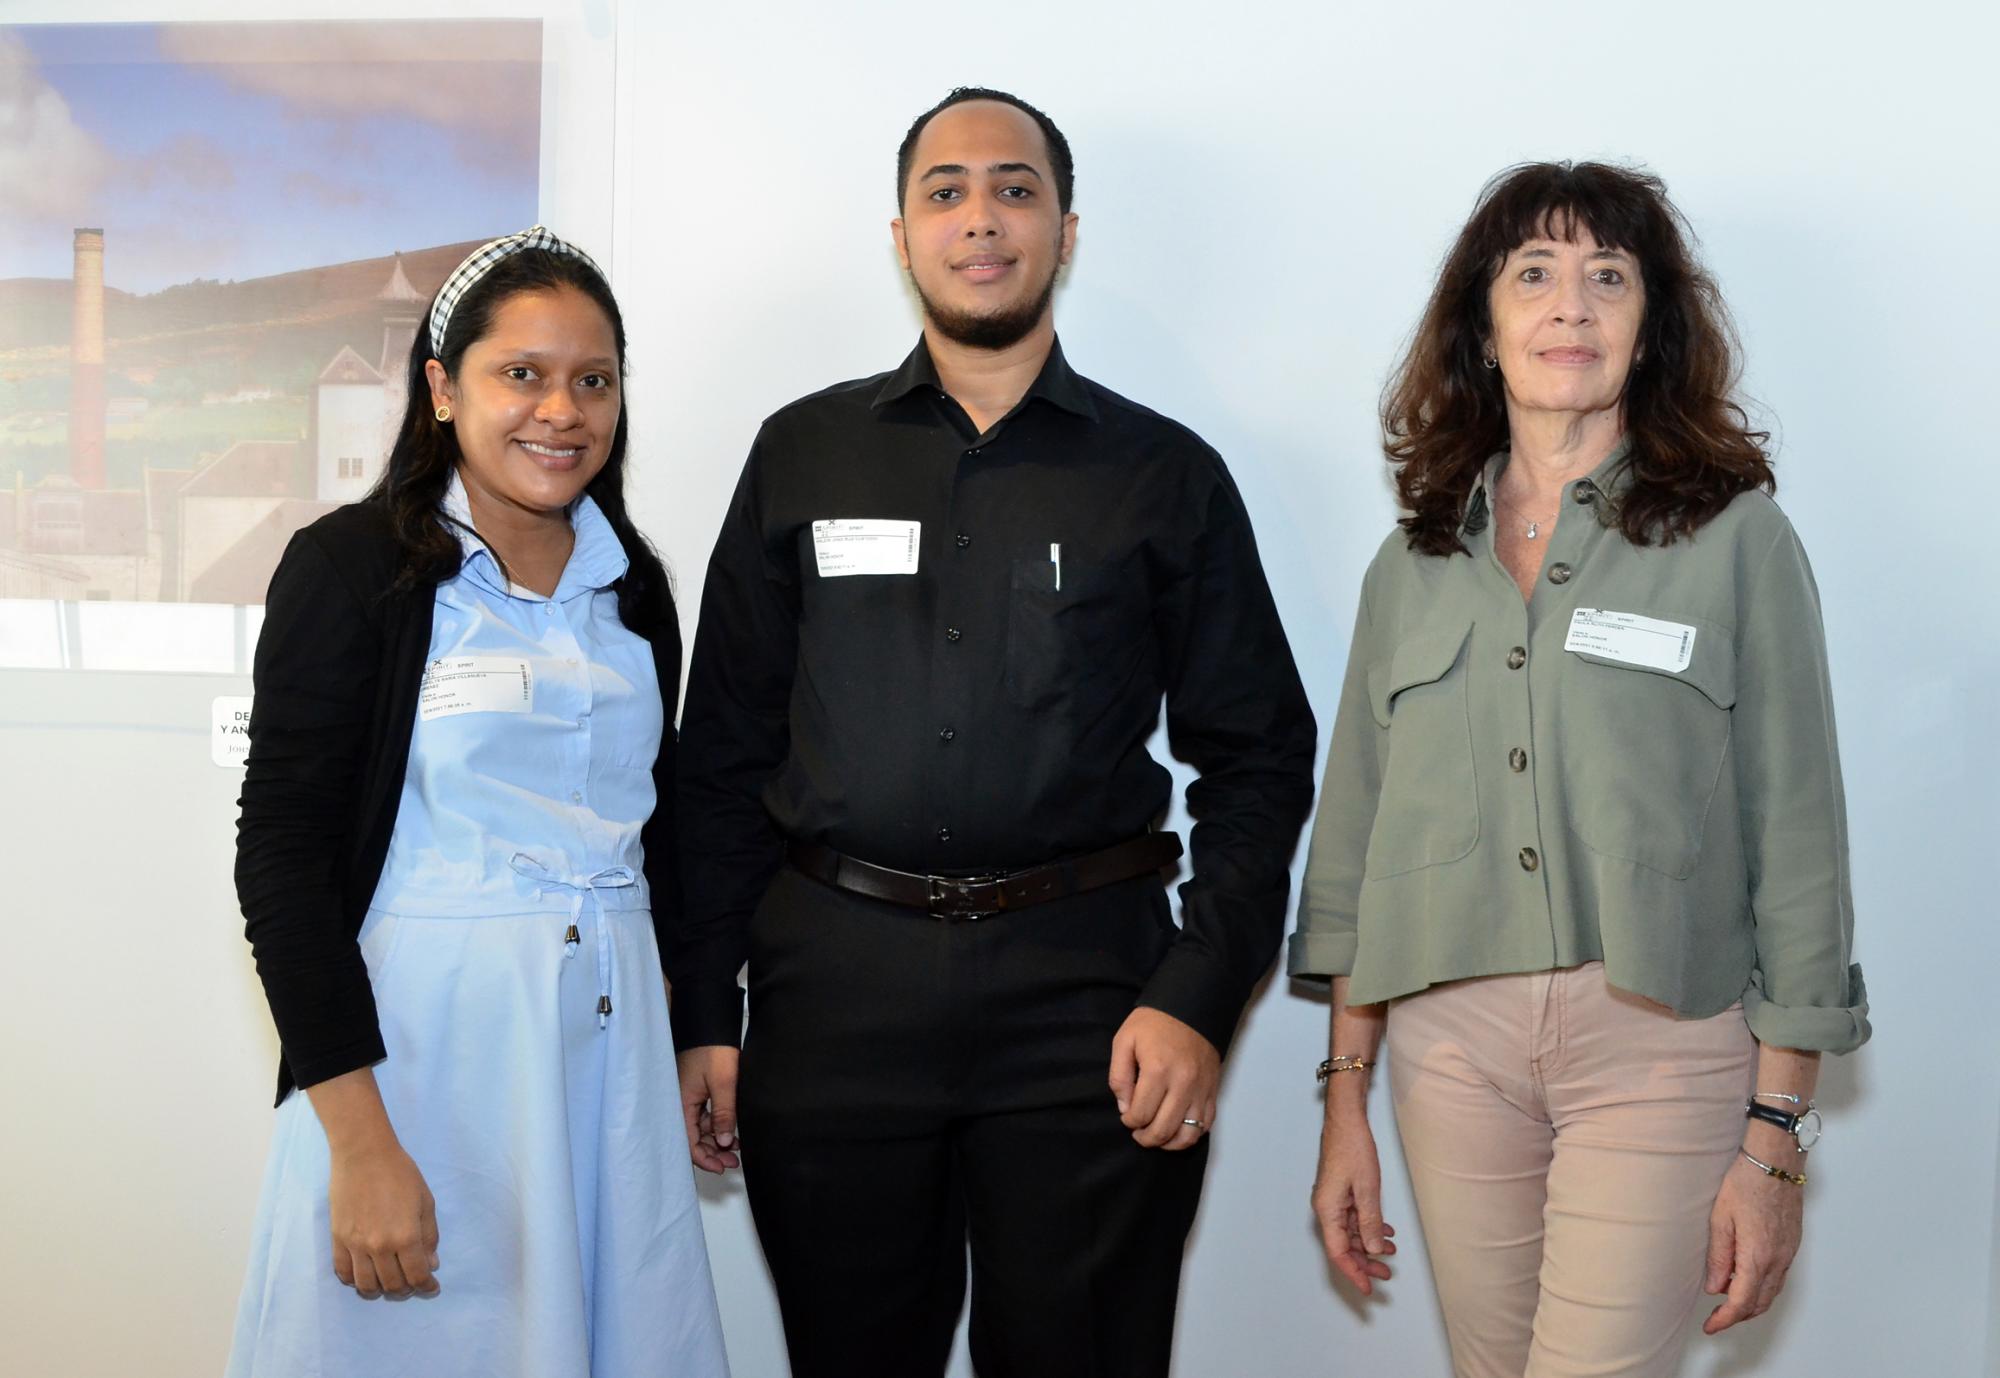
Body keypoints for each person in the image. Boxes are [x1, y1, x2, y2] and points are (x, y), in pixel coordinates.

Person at [672, 89, 1316, 1378]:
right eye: (947, 191)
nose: (982, 219)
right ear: (901, 234)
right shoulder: (798, 453)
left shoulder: (1164, 473)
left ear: (1064, 231)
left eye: (1015, 190)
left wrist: (1196, 995)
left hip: (1088, 1012)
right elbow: (720, 758)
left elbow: (1257, 760)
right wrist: (704, 1007)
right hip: (831, 1005)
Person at [1291, 162, 1869, 1378]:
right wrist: (1345, 1097)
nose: (1571, 306)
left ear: (1649, 327)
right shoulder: (1413, 560)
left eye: (1607, 276)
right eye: (1534, 275)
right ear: (1481, 323)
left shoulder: (1736, 539)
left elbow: (1798, 838)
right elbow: (1352, 839)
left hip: (1658, 1042)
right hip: (1448, 1049)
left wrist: (1772, 1139)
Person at [227, 228, 728, 1378]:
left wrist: (702, 1020)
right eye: (523, 374)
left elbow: (668, 836)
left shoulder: (634, 584)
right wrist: (361, 1148)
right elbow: (284, 866)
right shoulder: (353, 569)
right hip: (424, 1063)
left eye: (592, 380)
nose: (562, 410)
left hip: (607, 1070)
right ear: (443, 388)